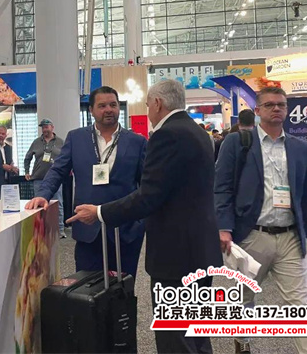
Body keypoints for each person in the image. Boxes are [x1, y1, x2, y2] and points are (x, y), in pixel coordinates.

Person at [68, 80, 221, 354]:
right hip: (200, 249)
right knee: (197, 333)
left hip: (176, 256)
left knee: (176, 339)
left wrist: (100, 212)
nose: (148, 111)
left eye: (148, 105)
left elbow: (148, 196)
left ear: (158, 104)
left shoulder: (166, 135)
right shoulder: (198, 133)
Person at [215, 86, 307, 354]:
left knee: (301, 306)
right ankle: (243, 344)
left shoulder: (300, 147)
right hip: (252, 235)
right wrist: (224, 227)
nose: (276, 108)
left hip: (290, 237)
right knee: (243, 300)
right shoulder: (238, 142)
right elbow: (222, 187)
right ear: (257, 110)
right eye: (270, 104)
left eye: (281, 105)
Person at [25, 86, 147, 278]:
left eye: (113, 105)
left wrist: (142, 221)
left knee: (124, 286)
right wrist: (43, 194)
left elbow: (146, 184)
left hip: (124, 229)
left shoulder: (136, 142)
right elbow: (58, 170)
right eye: (102, 106)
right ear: (91, 110)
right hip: (88, 227)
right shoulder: (77, 138)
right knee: (87, 286)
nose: (108, 109)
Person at [24, 119, 66, 237]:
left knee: (58, 204)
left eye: (46, 127)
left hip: (56, 180)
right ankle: (41, 231)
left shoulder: (61, 142)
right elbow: (27, 158)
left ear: (52, 127)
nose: (44, 129)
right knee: (38, 205)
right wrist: (27, 171)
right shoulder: (36, 142)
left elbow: (66, 158)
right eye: (43, 127)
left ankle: (60, 230)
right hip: (38, 178)